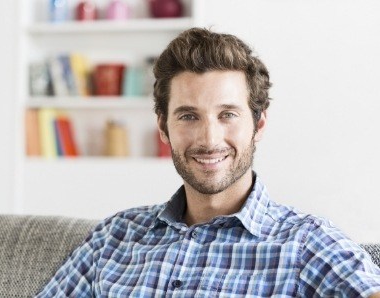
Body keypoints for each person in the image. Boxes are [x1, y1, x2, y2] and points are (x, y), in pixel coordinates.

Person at [36, 27, 380, 297]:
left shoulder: (307, 243)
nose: (209, 139)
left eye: (227, 114)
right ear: (163, 127)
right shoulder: (114, 237)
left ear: (258, 124)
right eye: (188, 116)